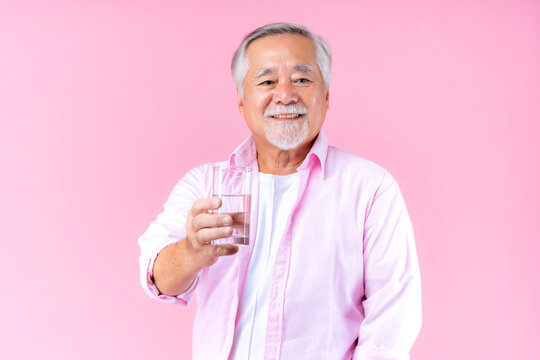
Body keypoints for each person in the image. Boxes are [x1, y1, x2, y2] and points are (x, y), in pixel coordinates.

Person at [138, 23, 421, 360]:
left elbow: (393, 320)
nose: (285, 95)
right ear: (241, 100)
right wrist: (190, 252)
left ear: (327, 95)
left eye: (301, 79)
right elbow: (157, 277)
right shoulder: (206, 185)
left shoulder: (371, 189)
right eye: (267, 81)